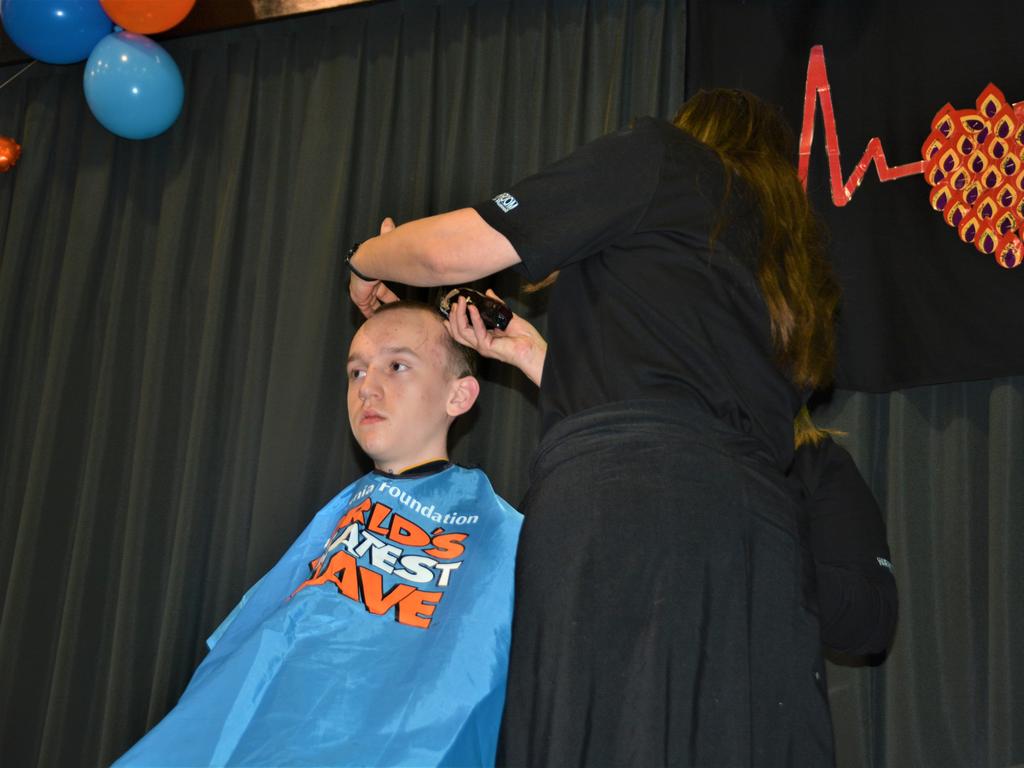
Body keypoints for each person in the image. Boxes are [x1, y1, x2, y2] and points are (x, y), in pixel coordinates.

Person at [347, 89, 842, 765]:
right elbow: (677, 399)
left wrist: (368, 257)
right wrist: (524, 351)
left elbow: (449, 254)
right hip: (759, 549)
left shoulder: (667, 161)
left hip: (630, 516)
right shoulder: (789, 270)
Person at [114, 301, 523, 767]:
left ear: (459, 396)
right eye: (355, 372)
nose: (367, 387)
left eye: (396, 365)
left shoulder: (497, 530)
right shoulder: (340, 516)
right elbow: (240, 657)